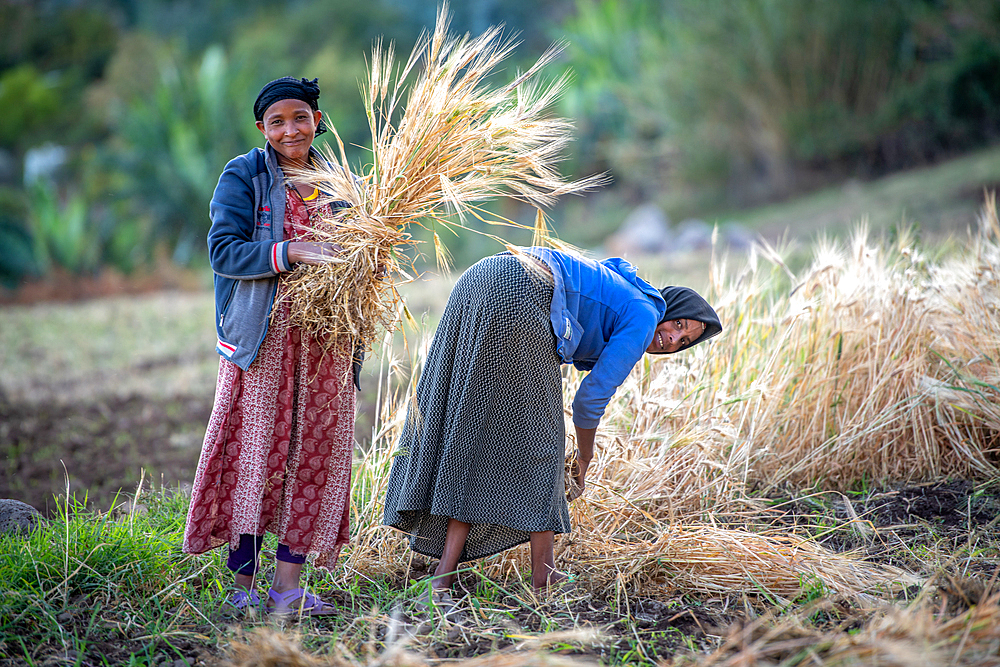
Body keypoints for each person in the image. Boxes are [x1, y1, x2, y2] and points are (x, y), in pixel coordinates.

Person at [382, 247, 721, 606]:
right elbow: (590, 400)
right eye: (679, 325)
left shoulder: (626, 287)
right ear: (668, 309)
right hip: (521, 292)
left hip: (480, 275)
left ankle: (444, 579)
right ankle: (543, 580)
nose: (671, 339)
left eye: (683, 342)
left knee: (472, 438)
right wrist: (585, 458)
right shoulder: (644, 314)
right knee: (546, 450)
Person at [182, 76, 359, 617]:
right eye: (277, 121)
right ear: (262, 128)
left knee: (313, 458)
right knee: (254, 457)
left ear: (317, 121)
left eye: (300, 118)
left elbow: (357, 254)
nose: (290, 130)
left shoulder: (341, 182)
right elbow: (224, 252)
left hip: (327, 345)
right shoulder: (244, 175)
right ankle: (242, 589)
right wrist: (293, 251)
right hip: (264, 342)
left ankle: (288, 589)